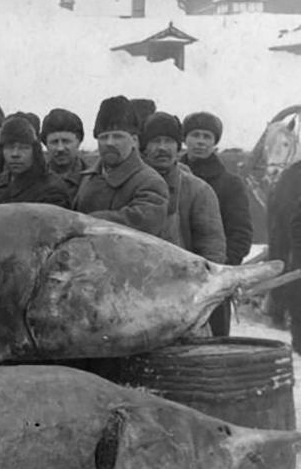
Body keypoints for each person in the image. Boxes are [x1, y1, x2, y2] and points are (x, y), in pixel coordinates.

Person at [181, 111, 253, 337]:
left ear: (215, 143)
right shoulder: (170, 176)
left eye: (207, 137)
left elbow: (240, 234)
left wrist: (222, 272)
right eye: (195, 135)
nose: (200, 142)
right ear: (185, 139)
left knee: (213, 343)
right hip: (176, 276)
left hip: (213, 280)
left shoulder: (230, 184)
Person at [73, 95, 169, 237]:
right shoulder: (88, 178)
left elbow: (141, 224)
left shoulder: (150, 181)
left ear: (134, 140)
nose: (110, 143)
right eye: (104, 137)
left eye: (118, 136)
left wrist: (85, 221)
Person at [141, 112, 226, 265]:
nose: (162, 147)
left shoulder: (199, 191)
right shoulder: (131, 185)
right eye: (155, 141)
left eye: (169, 141)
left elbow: (211, 247)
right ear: (144, 147)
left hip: (181, 279)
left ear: (178, 147)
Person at [0, 116, 70, 208]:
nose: (15, 154)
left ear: (34, 151)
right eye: (9, 147)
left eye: (23, 147)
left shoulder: (52, 189)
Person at [41, 108, 87, 202]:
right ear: (46, 144)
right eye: (54, 142)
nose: (60, 148)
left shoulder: (93, 181)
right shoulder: (35, 180)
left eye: (66, 141)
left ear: (78, 142)